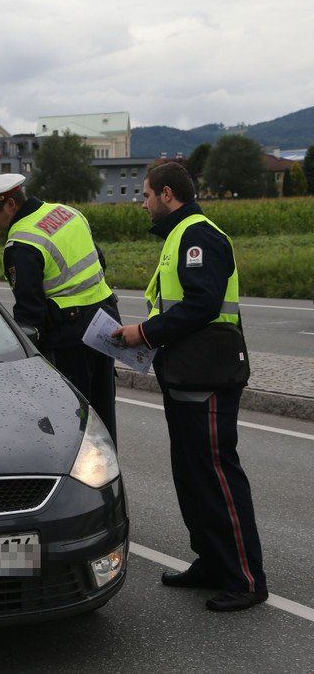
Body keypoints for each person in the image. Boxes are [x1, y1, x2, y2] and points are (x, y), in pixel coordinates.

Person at [112, 162, 267, 612]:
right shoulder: (178, 237)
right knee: (192, 475)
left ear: (167, 194)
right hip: (186, 374)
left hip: (209, 376)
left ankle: (246, 578)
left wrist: (145, 333)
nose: (142, 204)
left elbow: (202, 304)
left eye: (145, 195)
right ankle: (213, 562)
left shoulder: (198, 235)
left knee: (216, 475)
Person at [0, 173, 120, 443]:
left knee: (74, 429)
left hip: (69, 341)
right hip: (105, 325)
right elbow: (99, 261)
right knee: (102, 417)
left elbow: (30, 316)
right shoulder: (67, 212)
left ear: (10, 205)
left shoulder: (22, 243)